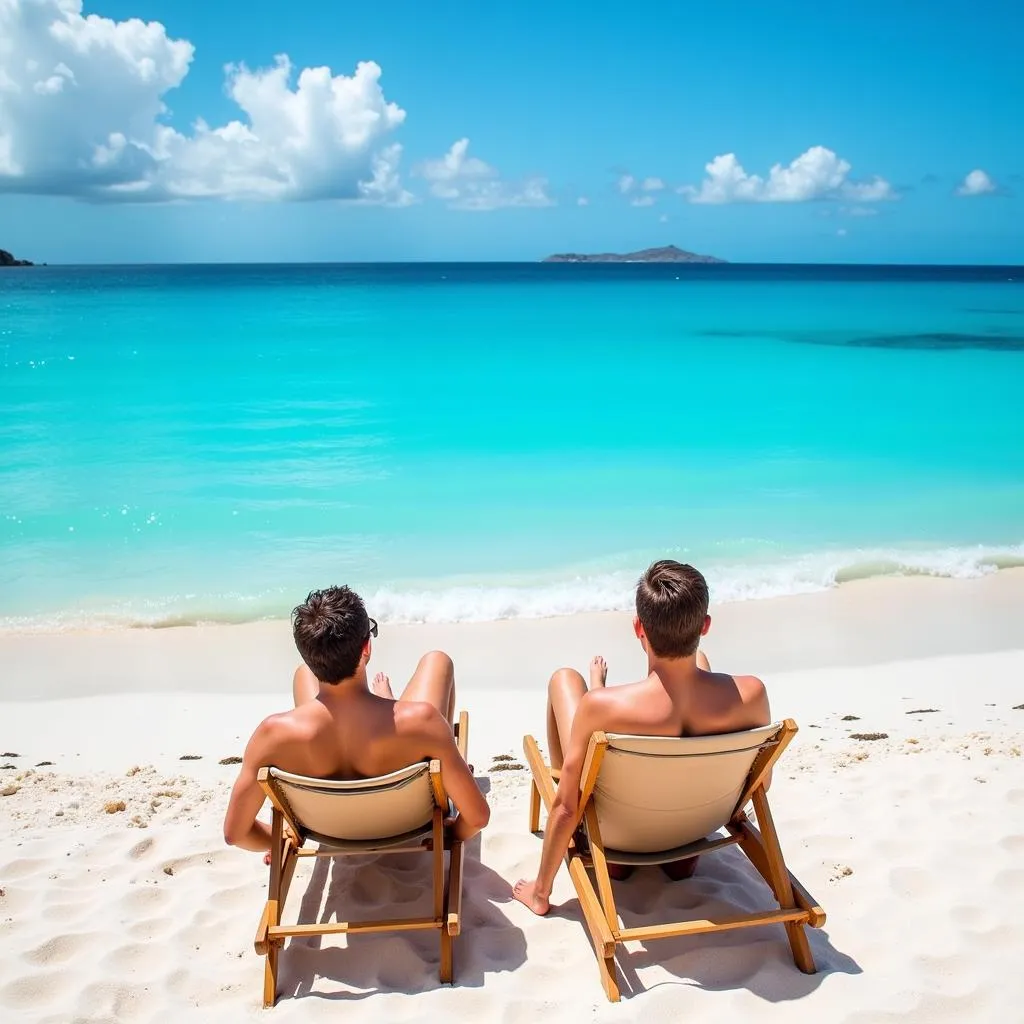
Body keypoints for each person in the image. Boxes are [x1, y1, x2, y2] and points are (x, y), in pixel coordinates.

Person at [512, 559, 771, 916]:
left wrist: (540, 892)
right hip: (693, 835)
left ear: (638, 628)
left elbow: (568, 806)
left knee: (565, 679)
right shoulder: (752, 694)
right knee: (703, 666)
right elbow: (761, 784)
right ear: (705, 625)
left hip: (618, 840)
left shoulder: (600, 707)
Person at [224, 585, 489, 854]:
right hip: (406, 821)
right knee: (437, 660)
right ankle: (425, 741)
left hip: (326, 828)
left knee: (302, 674)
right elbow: (478, 817)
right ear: (367, 647)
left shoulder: (271, 735)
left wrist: (280, 840)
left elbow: (236, 833)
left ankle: (375, 701)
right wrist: (452, 833)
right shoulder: (423, 721)